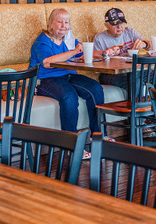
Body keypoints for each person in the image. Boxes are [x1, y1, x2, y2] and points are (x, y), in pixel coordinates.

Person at [29, 8, 105, 136]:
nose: (64, 26)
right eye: (60, 22)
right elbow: (47, 63)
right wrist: (73, 52)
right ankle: (72, 144)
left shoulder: (68, 39)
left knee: (95, 88)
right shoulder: (42, 41)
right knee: (69, 96)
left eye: (67, 22)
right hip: (45, 79)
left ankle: (99, 137)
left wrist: (103, 53)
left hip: (68, 75)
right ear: (51, 24)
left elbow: (82, 51)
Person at [93, 8, 151, 90]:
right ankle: (141, 103)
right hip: (112, 73)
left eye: (121, 22)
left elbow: (149, 44)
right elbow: (96, 67)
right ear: (106, 25)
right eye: (115, 24)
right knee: (135, 83)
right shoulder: (99, 38)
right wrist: (107, 54)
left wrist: (144, 44)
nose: (119, 27)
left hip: (135, 69)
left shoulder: (130, 31)